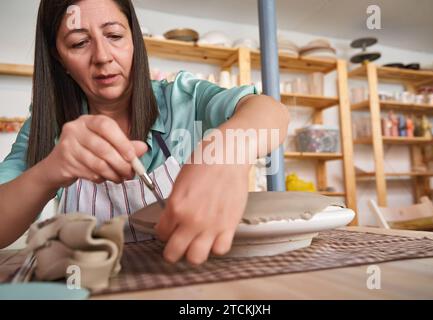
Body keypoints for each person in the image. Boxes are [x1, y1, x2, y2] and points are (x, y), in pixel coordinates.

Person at [0, 0, 289, 265]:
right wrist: (50, 172)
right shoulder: (47, 124)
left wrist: (228, 151)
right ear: (59, 58)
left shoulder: (182, 99)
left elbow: (269, 111)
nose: (103, 56)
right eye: (79, 43)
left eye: (114, 36)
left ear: (134, 40)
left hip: (187, 281)